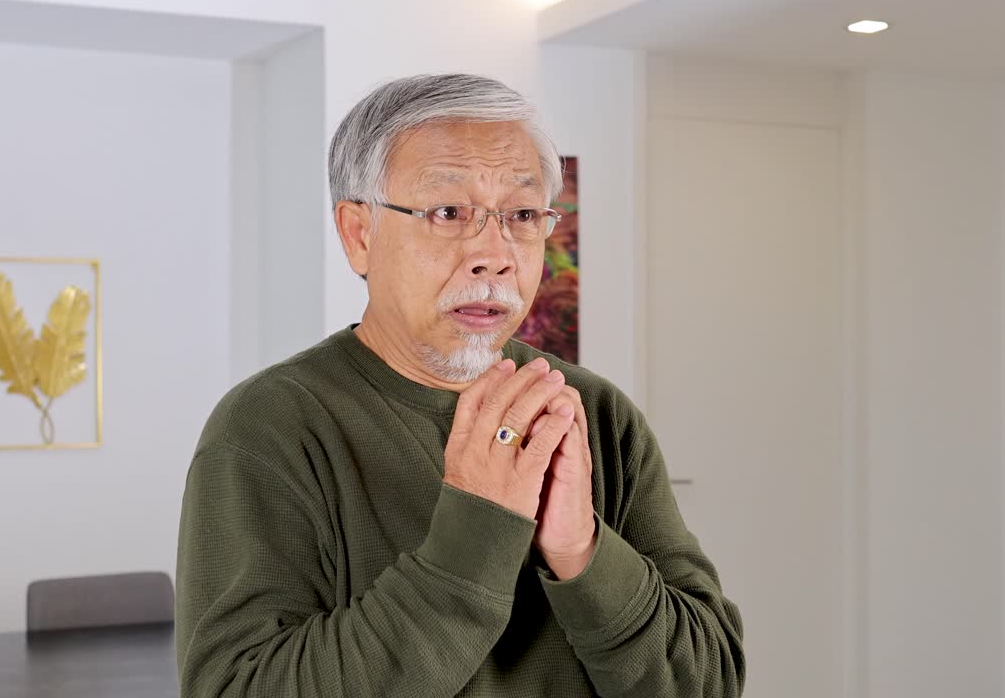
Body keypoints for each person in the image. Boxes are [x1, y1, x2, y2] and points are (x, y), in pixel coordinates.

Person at [176, 74, 745, 697]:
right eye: (448, 213)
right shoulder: (270, 426)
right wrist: (476, 533)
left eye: (523, 215)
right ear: (359, 234)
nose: (495, 254)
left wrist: (583, 551)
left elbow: (707, 683)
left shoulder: (596, 414)